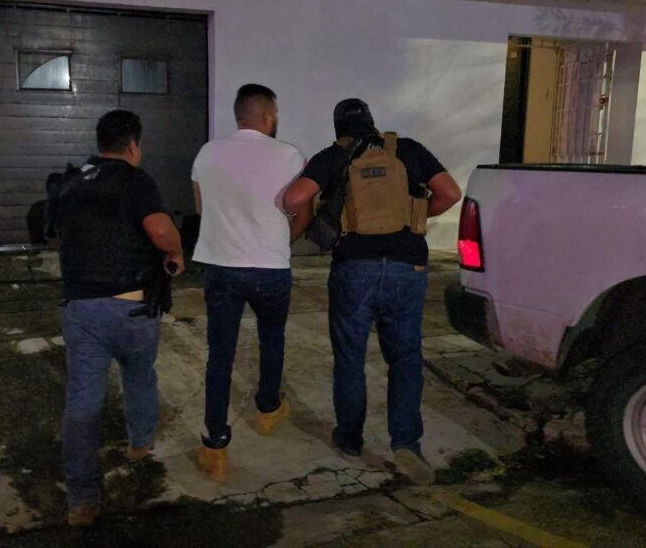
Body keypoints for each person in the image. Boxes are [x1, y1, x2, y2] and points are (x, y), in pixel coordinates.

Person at [283, 98, 462, 486]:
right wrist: (415, 214)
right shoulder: (408, 149)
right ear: (372, 122)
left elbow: (293, 198)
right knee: (405, 357)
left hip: (354, 269)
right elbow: (450, 192)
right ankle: (406, 443)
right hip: (407, 267)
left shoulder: (334, 155)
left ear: (338, 127)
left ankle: (350, 439)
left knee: (350, 357)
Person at [49, 109, 185, 526]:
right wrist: (176, 252)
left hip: (82, 309)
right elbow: (160, 231)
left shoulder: (71, 181)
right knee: (139, 377)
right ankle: (139, 444)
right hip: (132, 307)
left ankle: (83, 500)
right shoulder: (135, 180)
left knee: (82, 402)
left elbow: (55, 236)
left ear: (100, 142)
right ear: (133, 145)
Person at [191, 84, 306, 479]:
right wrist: (281, 243)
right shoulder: (290, 155)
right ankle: (268, 408)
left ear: (239, 115)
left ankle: (215, 445)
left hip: (220, 266)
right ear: (268, 116)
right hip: (271, 267)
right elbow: (302, 211)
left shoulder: (208, 153)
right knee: (271, 338)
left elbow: (201, 208)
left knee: (220, 355)